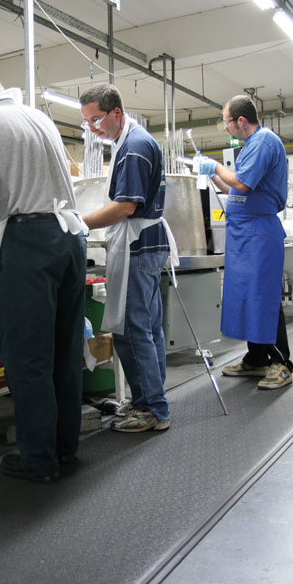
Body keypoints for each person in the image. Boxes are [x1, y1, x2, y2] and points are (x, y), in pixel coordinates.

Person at [0, 66, 87, 483]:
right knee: (64, 350)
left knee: (27, 355)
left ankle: (38, 460)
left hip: (30, 243)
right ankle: (64, 448)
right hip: (70, 237)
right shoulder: (38, 117)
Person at [79, 84, 173, 432]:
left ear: (116, 112)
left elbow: (125, 206)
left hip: (138, 246)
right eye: (87, 122)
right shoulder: (130, 140)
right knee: (148, 328)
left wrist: (80, 223)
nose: (93, 129)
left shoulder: (133, 147)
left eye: (97, 120)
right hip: (147, 245)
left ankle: (153, 409)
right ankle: (148, 399)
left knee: (132, 331)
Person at [198, 94, 293, 389]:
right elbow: (235, 189)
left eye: (226, 122)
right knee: (249, 298)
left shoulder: (264, 141)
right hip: (243, 234)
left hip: (259, 233)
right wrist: (212, 176)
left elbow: (242, 183)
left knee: (263, 297)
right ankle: (256, 359)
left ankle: (281, 363)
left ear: (240, 120)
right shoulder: (250, 146)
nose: (226, 128)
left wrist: (215, 166)